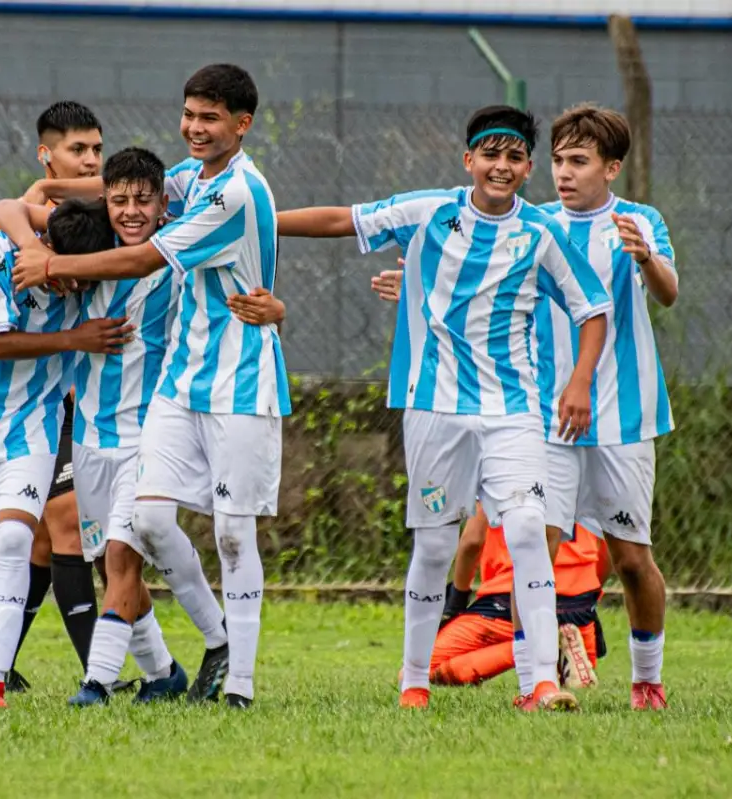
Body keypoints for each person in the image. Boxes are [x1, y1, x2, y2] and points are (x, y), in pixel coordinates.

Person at [275, 105, 611, 711]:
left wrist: (581, 381)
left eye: (513, 158)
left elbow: (592, 310)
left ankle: (538, 682)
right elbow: (342, 220)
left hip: (514, 411)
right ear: (468, 160)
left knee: (530, 530)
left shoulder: (541, 234)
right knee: (434, 546)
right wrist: (256, 224)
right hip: (433, 409)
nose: (501, 166)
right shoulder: (431, 212)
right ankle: (413, 683)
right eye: (490, 154)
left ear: (527, 167)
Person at [0, 64, 288, 710]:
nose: (194, 127)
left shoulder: (234, 192)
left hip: (241, 380)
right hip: (182, 387)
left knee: (233, 532)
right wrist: (32, 230)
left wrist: (53, 263)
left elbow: (144, 257)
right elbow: (40, 194)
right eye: (189, 114)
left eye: (210, 117)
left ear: (241, 125)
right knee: (151, 523)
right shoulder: (182, 180)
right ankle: (195, 654)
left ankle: (232, 682)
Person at [0, 198, 129, 708]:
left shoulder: (90, 252)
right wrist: (74, 338)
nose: (76, 289)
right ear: (49, 254)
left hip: (34, 424)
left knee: (15, 538)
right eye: (69, 278)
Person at [533, 103, 678, 710]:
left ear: (611, 167)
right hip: (547, 414)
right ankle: (538, 680)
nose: (563, 173)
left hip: (623, 415)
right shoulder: (533, 223)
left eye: (579, 161)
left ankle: (647, 679)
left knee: (631, 559)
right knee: (533, 544)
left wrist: (645, 256)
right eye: (558, 160)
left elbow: (669, 294)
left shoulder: (638, 220)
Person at [0, 101, 106, 690]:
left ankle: (1, 665)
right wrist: (35, 237)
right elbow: (5, 218)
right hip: (34, 404)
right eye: (78, 150)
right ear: (46, 153)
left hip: (91, 395)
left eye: (96, 150)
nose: (91, 161)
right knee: (63, 521)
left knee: (51, 540)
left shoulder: (103, 215)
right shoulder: (15, 226)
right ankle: (95, 676)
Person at [431, 509, 610, 690]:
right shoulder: (582, 479)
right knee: (572, 677)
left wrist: (456, 601)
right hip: (579, 606)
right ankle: (558, 649)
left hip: (510, 598)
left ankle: (542, 645)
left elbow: (472, 541)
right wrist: (590, 592)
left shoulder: (495, 478)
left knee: (423, 669)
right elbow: (609, 543)